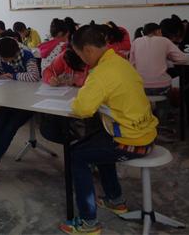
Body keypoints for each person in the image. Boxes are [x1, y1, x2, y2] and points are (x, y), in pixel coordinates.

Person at [60, 25, 158, 234]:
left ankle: (88, 223)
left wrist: (76, 100)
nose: (81, 59)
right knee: (95, 144)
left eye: (79, 54)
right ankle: (115, 200)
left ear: (88, 50)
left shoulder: (102, 73)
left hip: (132, 140)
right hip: (145, 132)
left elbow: (83, 108)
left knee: (76, 155)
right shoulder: (120, 62)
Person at [0, 37, 40, 182]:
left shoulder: (27, 57)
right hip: (10, 100)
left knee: (9, 128)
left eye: (6, 58)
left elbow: (34, 76)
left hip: (26, 103)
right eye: (2, 58)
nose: (4, 61)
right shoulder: (2, 58)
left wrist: (13, 75)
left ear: (15, 53)